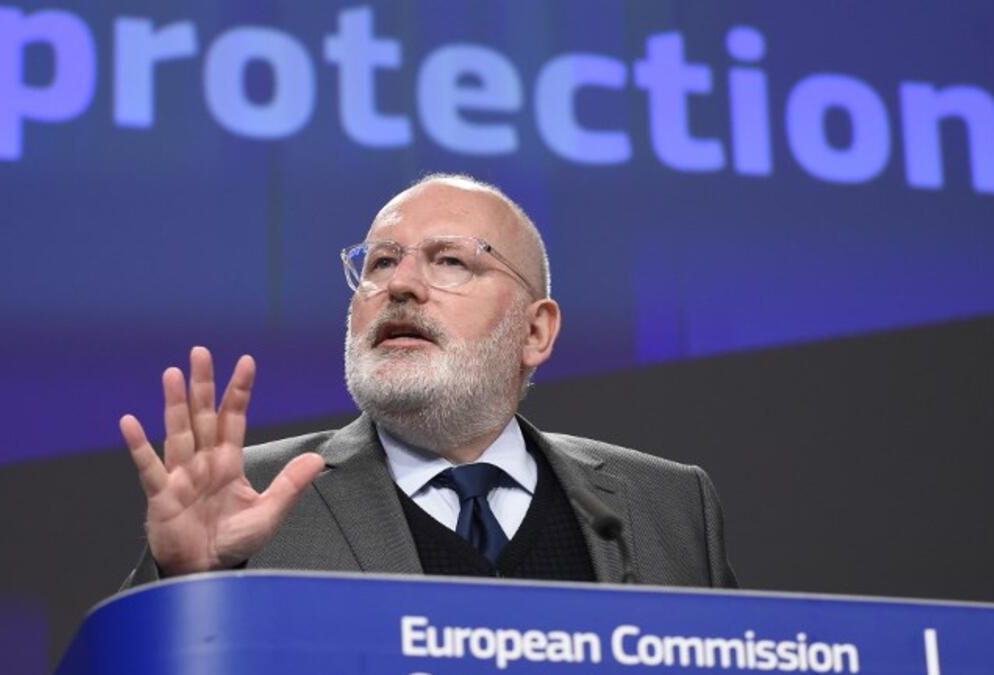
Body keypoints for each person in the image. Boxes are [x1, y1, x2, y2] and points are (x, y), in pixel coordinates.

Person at [120, 174, 736, 588]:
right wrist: (187, 586)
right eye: (382, 261)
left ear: (535, 332)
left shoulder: (668, 504)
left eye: (450, 261)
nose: (400, 284)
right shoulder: (252, 500)